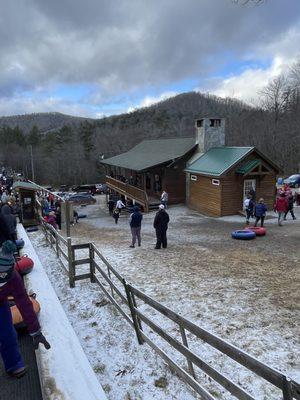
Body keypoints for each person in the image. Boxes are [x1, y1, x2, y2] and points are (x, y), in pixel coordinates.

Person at [0, 240, 50, 378]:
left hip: (1, 304)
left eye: (4, 276)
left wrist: (36, 332)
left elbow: (24, 304)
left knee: (8, 333)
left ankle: (14, 365)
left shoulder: (13, 279)